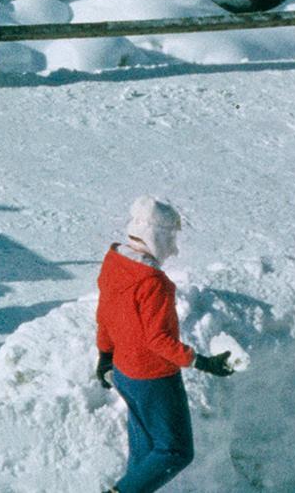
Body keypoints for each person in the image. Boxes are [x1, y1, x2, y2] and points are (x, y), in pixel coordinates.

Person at [95, 197, 231, 493]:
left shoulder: (114, 262)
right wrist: (202, 362)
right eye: (171, 237)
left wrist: (105, 355)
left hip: (123, 370)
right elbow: (157, 339)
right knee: (175, 451)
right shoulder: (152, 282)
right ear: (157, 235)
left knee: (145, 450)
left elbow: (104, 313)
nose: (174, 248)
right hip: (153, 377)